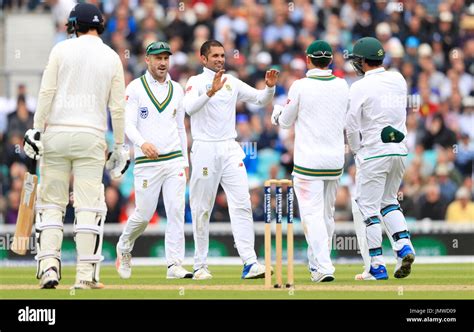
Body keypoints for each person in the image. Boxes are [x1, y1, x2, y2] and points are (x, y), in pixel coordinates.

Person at [23, 3, 129, 289]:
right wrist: (118, 146)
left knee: (51, 203)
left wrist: (36, 128)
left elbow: (46, 92)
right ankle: (85, 275)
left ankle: (48, 269)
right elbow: (117, 108)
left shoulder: (60, 49)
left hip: (56, 133)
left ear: (73, 25)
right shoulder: (111, 57)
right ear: (101, 25)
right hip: (92, 136)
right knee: (88, 205)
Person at [182, 40, 279, 280]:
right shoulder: (195, 82)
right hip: (204, 148)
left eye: (222, 55)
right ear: (203, 58)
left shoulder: (231, 81)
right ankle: (199, 265)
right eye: (214, 55)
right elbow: (189, 108)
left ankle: (250, 263)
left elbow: (260, 99)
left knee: (243, 203)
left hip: (229, 147)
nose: (220, 59)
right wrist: (210, 91)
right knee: (202, 208)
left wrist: (269, 88)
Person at [271, 40, 349, 282]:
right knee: (326, 215)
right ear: (330, 60)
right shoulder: (343, 84)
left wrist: (276, 113)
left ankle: (325, 267)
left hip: (309, 162)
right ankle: (317, 266)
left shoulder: (300, 86)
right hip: (335, 161)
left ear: (308, 59)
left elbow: (285, 122)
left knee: (311, 216)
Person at [115, 41, 193, 279]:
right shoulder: (135, 88)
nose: (162, 63)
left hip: (173, 161)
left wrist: (185, 162)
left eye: (165, 58)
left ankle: (174, 265)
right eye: (157, 58)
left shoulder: (177, 89)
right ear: (147, 60)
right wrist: (142, 143)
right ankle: (124, 246)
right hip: (147, 162)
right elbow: (127, 124)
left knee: (176, 210)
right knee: (144, 214)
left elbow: (180, 127)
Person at [346, 37, 415, 281]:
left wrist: (356, 151)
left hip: (374, 152)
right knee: (389, 202)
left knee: (368, 208)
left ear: (363, 62)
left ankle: (376, 264)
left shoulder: (359, 87)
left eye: (357, 61)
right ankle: (404, 246)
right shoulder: (398, 79)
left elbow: (352, 125)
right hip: (399, 150)